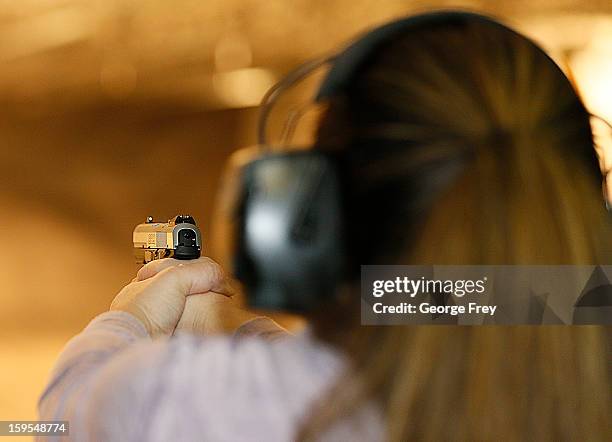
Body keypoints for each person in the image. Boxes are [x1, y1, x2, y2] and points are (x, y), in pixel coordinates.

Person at [39, 12, 612, 441]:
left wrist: (134, 316)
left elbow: (59, 418)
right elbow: (444, 309)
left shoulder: (215, 404)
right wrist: (238, 329)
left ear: (304, 217)